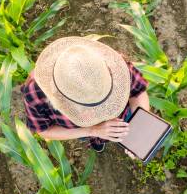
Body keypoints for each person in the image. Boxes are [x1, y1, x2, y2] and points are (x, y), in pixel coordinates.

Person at [21, 36, 150, 153]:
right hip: (79, 131)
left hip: (121, 120)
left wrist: (138, 131)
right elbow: (44, 130)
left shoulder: (116, 65)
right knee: (86, 137)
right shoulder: (35, 92)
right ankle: (94, 141)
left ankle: (100, 141)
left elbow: (138, 93)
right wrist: (92, 131)